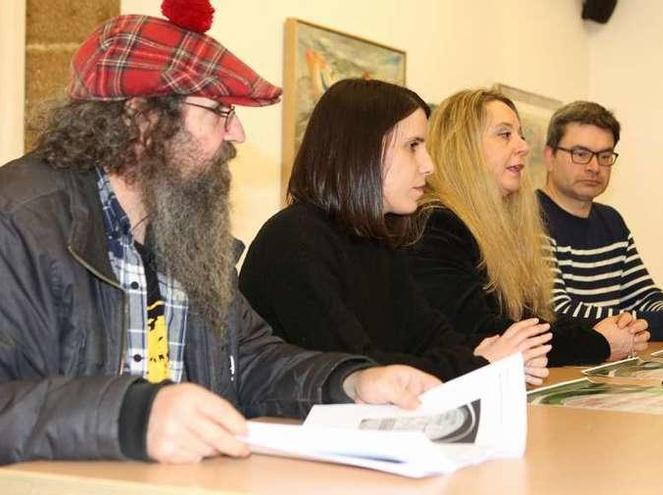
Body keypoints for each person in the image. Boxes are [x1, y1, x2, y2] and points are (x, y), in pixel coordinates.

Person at [0, 8, 438, 466]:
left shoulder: (183, 227)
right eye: (219, 111)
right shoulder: (19, 221)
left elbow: (248, 362)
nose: (239, 134)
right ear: (142, 117)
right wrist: (129, 416)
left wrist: (348, 384)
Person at [239, 79, 551, 385]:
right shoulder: (294, 241)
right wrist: (480, 361)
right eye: (413, 146)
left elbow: (429, 336)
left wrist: (484, 353)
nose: (429, 165)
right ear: (361, 150)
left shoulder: (376, 238)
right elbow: (357, 368)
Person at [407, 88, 649, 366]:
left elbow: (531, 317)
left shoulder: (501, 225)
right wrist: (598, 342)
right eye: (505, 134)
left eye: (520, 134)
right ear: (463, 145)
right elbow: (482, 331)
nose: (523, 146)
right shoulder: (436, 223)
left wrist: (608, 328)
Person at [539, 101, 663, 341]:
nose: (594, 167)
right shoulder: (529, 218)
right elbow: (558, 312)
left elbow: (642, 295)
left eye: (605, 156)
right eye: (581, 154)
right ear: (549, 157)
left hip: (610, 365)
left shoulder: (611, 220)